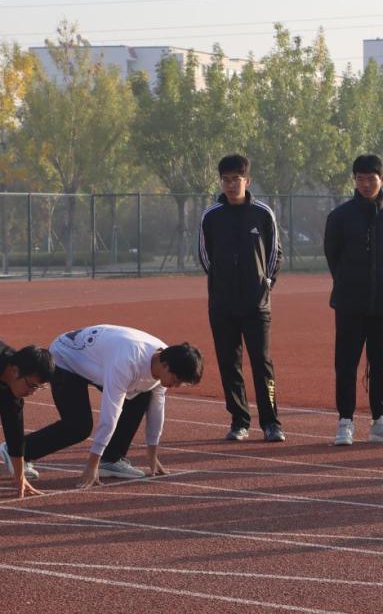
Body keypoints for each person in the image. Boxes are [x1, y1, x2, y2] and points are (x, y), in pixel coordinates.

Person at [21, 325, 203, 489]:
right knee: (78, 426)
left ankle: (111, 459)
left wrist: (152, 453)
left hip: (98, 361)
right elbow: (110, 415)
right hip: (66, 358)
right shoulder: (127, 361)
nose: (176, 386)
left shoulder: (165, 361)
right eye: (176, 380)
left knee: (141, 396)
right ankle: (19, 451)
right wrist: (92, 464)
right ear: (165, 365)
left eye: (182, 384)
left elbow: (156, 410)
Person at [324, 154, 383, 446]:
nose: (365, 184)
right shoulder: (340, 216)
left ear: (381, 180)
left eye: (371, 178)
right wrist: (349, 283)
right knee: (346, 365)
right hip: (350, 304)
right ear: (354, 180)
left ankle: (379, 422)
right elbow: (333, 256)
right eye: (360, 178)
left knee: (381, 366)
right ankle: (345, 422)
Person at [199, 154, 285, 443]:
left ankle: (271, 422)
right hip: (222, 305)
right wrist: (222, 284)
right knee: (229, 364)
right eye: (225, 179)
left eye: (236, 179)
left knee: (262, 363)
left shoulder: (263, 213)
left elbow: (275, 253)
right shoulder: (211, 216)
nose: (231, 184)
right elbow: (205, 256)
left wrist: (265, 283)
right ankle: (239, 421)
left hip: (256, 304)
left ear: (247, 180)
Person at [0, 342, 54, 498]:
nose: (32, 392)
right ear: (14, 371)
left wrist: (20, 477)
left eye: (38, 387)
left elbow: (15, 435)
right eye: (32, 385)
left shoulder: (11, 392)